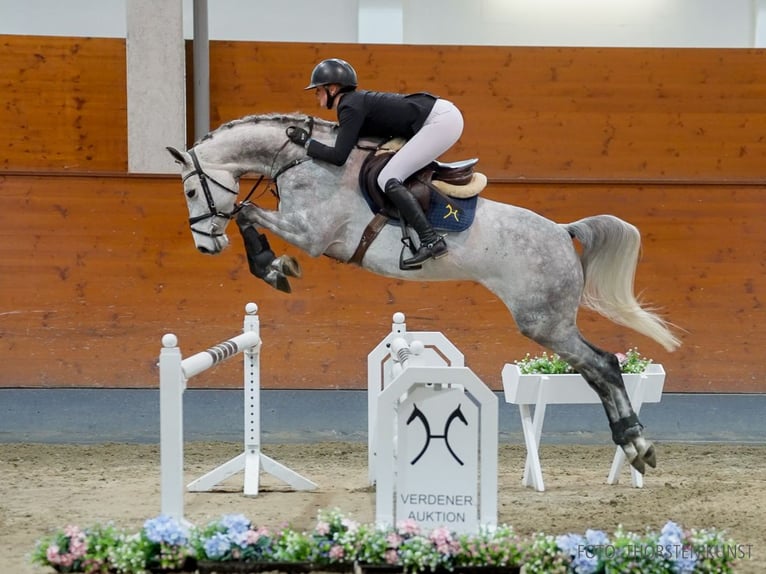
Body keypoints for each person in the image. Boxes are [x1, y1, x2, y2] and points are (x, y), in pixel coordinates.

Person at [286, 58, 464, 268]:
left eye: (318, 90)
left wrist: (307, 143)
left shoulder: (349, 106)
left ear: (332, 88)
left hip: (440, 121)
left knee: (387, 177)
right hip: (440, 116)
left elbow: (338, 156)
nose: (316, 95)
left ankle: (431, 240)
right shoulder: (354, 103)